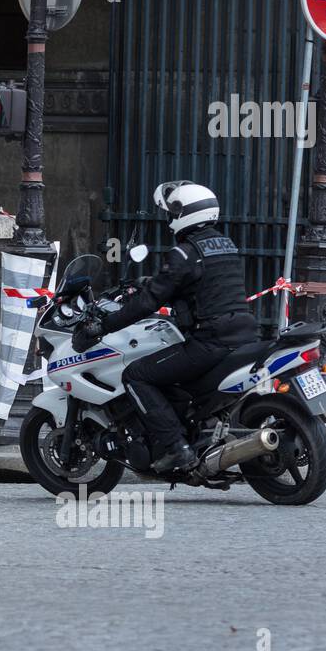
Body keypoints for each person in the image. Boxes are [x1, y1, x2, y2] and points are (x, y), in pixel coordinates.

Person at [72, 181, 258, 474]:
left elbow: (148, 302)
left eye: (171, 212)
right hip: (245, 334)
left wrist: (103, 326)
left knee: (136, 375)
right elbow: (204, 285)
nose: (168, 219)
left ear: (181, 213)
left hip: (210, 341)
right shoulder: (225, 245)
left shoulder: (183, 253)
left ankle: (176, 448)